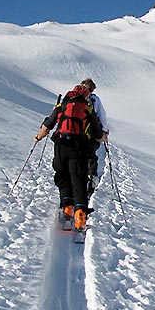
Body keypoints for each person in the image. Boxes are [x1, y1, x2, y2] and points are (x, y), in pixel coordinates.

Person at [34, 83, 105, 236]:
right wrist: (103, 137)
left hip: (60, 147)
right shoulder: (88, 109)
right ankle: (79, 215)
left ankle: (67, 207)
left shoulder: (61, 106)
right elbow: (98, 134)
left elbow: (47, 127)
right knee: (78, 179)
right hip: (78, 148)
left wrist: (37, 138)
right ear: (85, 96)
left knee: (62, 176)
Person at [79, 78, 109, 191]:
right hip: (92, 131)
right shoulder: (95, 99)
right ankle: (91, 178)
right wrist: (104, 131)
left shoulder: (74, 98)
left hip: (77, 131)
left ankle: (78, 178)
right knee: (91, 155)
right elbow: (102, 115)